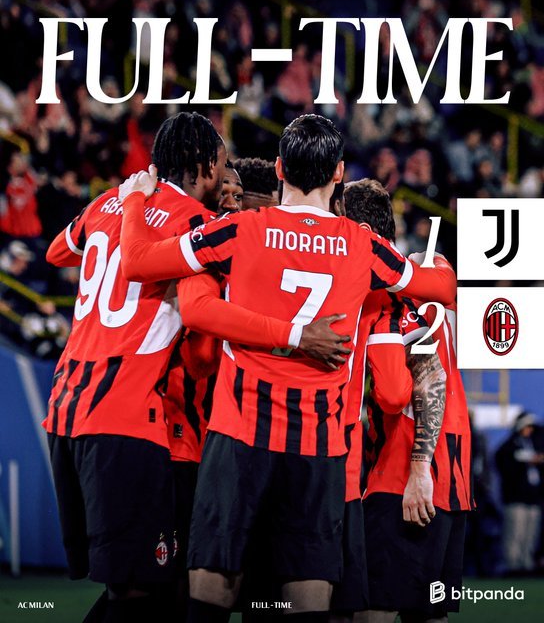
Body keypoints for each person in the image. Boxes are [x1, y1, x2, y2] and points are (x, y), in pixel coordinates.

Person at [118, 114, 457, 622]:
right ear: (338, 173)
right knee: (307, 585)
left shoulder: (239, 229)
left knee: (214, 581)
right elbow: (440, 288)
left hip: (239, 432)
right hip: (319, 444)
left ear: (279, 168)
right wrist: (441, 268)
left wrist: (134, 201)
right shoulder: (363, 246)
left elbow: (138, 262)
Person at [44, 112, 346, 623]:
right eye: (222, 168)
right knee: (145, 593)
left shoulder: (107, 202)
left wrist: (130, 203)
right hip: (127, 417)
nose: (226, 181)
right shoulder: (198, 226)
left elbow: (57, 252)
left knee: (141, 590)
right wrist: (297, 333)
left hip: (66, 409)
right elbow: (207, 332)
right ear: (205, 166)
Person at [343, 182, 473, 623]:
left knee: (371, 612)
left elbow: (408, 388)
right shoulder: (430, 269)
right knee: (427, 614)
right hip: (453, 482)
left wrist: (418, 471)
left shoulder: (385, 296)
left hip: (405, 475)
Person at [495, 411, 544, 574]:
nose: (530, 430)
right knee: (515, 533)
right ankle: (512, 565)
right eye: (527, 426)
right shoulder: (510, 446)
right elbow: (503, 465)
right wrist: (524, 462)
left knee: (531, 534)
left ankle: (527, 564)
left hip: (533, 497)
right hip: (515, 498)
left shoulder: (533, 443)